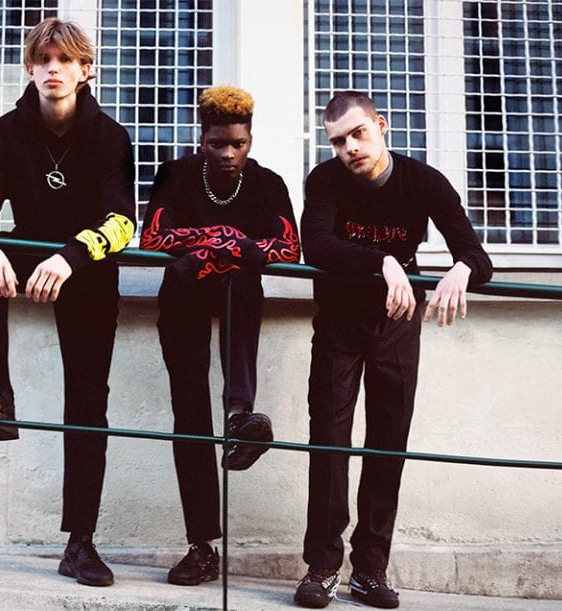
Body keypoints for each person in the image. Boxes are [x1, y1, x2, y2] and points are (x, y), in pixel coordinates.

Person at [0, 18, 135, 588]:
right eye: (44, 59)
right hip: (25, 255)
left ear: (85, 70)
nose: (54, 68)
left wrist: (72, 256)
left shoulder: (110, 137)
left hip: (86, 267)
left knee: (88, 402)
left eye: (66, 59)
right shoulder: (5, 133)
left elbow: (123, 222)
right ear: (30, 68)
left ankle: (81, 542)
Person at [294, 91, 493, 609]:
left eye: (359, 134)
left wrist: (463, 269)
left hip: (397, 322)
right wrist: (382, 260)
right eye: (338, 141)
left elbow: (475, 252)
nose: (350, 149)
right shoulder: (325, 179)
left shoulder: (422, 181)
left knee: (387, 443)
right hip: (339, 321)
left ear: (381, 126)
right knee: (329, 441)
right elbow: (316, 244)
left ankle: (370, 570)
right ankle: (322, 567)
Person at [140, 85, 300, 586]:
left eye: (238, 144)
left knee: (241, 281)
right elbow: (152, 238)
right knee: (189, 417)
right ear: (201, 139)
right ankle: (201, 546)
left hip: (236, 297)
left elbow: (289, 248)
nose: (228, 154)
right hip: (182, 299)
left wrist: (209, 251)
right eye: (217, 144)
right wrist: (229, 240)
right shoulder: (176, 175)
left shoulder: (267, 183)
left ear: (250, 139)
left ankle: (239, 416)